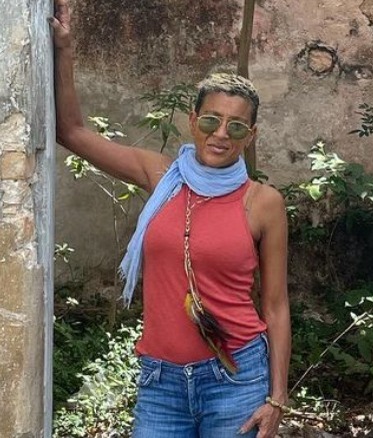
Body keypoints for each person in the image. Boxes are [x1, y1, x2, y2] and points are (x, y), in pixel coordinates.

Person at [50, 1, 290, 436]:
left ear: (250, 136)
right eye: (212, 120)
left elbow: (275, 305)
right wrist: (64, 50)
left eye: (236, 127)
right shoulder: (160, 175)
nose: (221, 134)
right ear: (193, 120)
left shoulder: (263, 203)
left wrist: (277, 398)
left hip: (236, 379)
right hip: (161, 383)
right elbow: (72, 133)